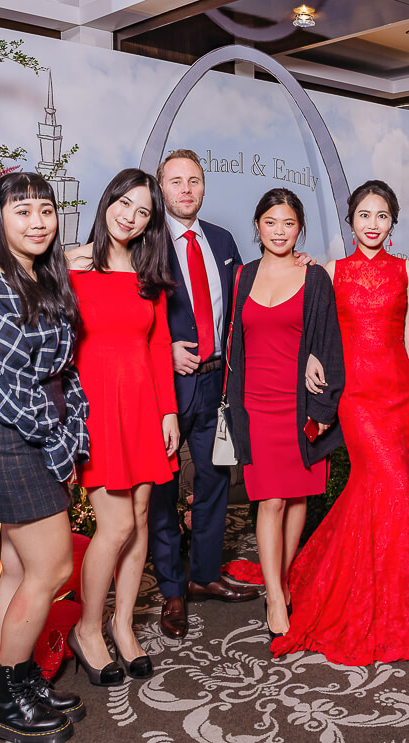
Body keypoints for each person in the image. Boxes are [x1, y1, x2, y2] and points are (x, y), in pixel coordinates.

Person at [271, 180, 409, 664]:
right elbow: (314, 330)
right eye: (364, 215)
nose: (373, 224)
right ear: (351, 220)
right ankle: (366, 590)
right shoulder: (330, 271)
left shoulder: (408, 270)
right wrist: (312, 359)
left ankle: (387, 590)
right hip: (356, 397)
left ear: (392, 222)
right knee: (390, 483)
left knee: (386, 487)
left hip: (399, 393)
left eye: (382, 215)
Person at [0, 172, 88, 743]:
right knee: (53, 569)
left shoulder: (41, 276)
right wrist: (59, 442)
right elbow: (5, 384)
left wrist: (74, 426)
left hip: (37, 432)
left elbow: (65, 368)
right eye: (23, 211)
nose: (38, 222)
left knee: (17, 567)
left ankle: (20, 679)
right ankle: (3, 701)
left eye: (45, 210)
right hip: (12, 437)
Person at [66, 168, 179, 685]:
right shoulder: (72, 266)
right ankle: (87, 629)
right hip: (95, 407)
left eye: (143, 212)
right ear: (107, 200)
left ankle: (123, 625)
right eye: (124, 204)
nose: (130, 218)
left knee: (138, 519)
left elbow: (158, 345)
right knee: (113, 527)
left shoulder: (147, 276)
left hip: (141, 405)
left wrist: (168, 411)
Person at [148, 149, 261, 642]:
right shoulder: (146, 241)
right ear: (161, 188)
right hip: (168, 384)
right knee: (164, 487)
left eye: (194, 180)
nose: (186, 189)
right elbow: (131, 311)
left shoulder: (222, 240)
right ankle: (172, 589)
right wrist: (164, 349)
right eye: (176, 181)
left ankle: (204, 574)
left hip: (217, 381)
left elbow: (244, 297)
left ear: (204, 186)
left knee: (216, 479)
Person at [224, 188, 344, 639]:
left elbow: (328, 343)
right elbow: (233, 341)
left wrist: (324, 405)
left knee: (297, 497)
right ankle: (275, 594)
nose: (279, 231)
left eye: (289, 223)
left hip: (298, 405)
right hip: (255, 405)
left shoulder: (314, 277)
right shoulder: (242, 276)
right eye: (271, 222)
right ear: (257, 226)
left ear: (300, 229)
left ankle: (284, 576)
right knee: (271, 500)